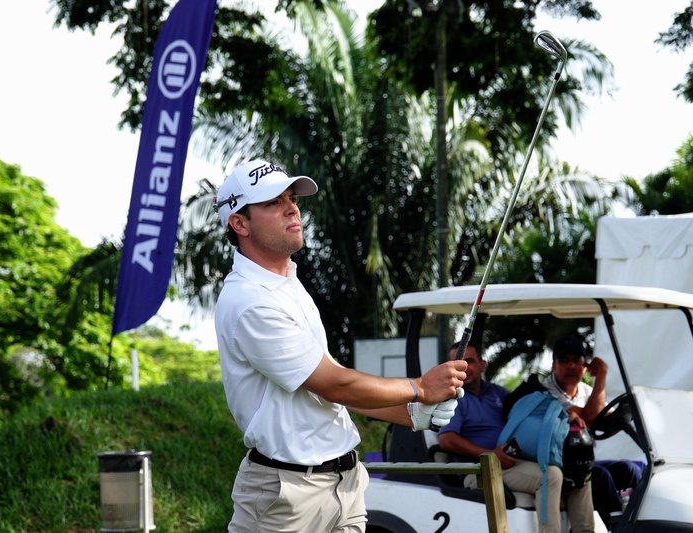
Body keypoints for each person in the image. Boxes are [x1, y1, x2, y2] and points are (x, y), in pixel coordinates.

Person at [213, 159, 468, 533]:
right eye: (272, 202)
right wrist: (420, 388)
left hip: (345, 486)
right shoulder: (249, 300)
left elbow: (326, 390)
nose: (292, 208)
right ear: (240, 223)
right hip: (285, 497)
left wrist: (412, 413)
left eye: (291, 198)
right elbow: (335, 384)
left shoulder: (289, 285)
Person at [438, 341, 596, 533]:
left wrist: (564, 413)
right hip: (480, 469)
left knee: (579, 469)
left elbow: (531, 409)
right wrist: (491, 455)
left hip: (511, 461)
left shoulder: (497, 393)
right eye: (457, 363)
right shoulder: (453, 398)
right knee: (550, 476)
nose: (463, 368)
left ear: (482, 365)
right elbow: (446, 439)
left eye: (469, 362)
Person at [542, 336, 642, 530]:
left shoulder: (585, 391)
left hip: (581, 462)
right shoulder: (546, 392)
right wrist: (601, 375)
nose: (571, 366)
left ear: (584, 366)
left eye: (576, 361)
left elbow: (607, 416)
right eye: (564, 361)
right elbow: (589, 416)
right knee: (601, 477)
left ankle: (639, 521)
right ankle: (617, 528)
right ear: (554, 365)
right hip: (559, 464)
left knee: (630, 470)